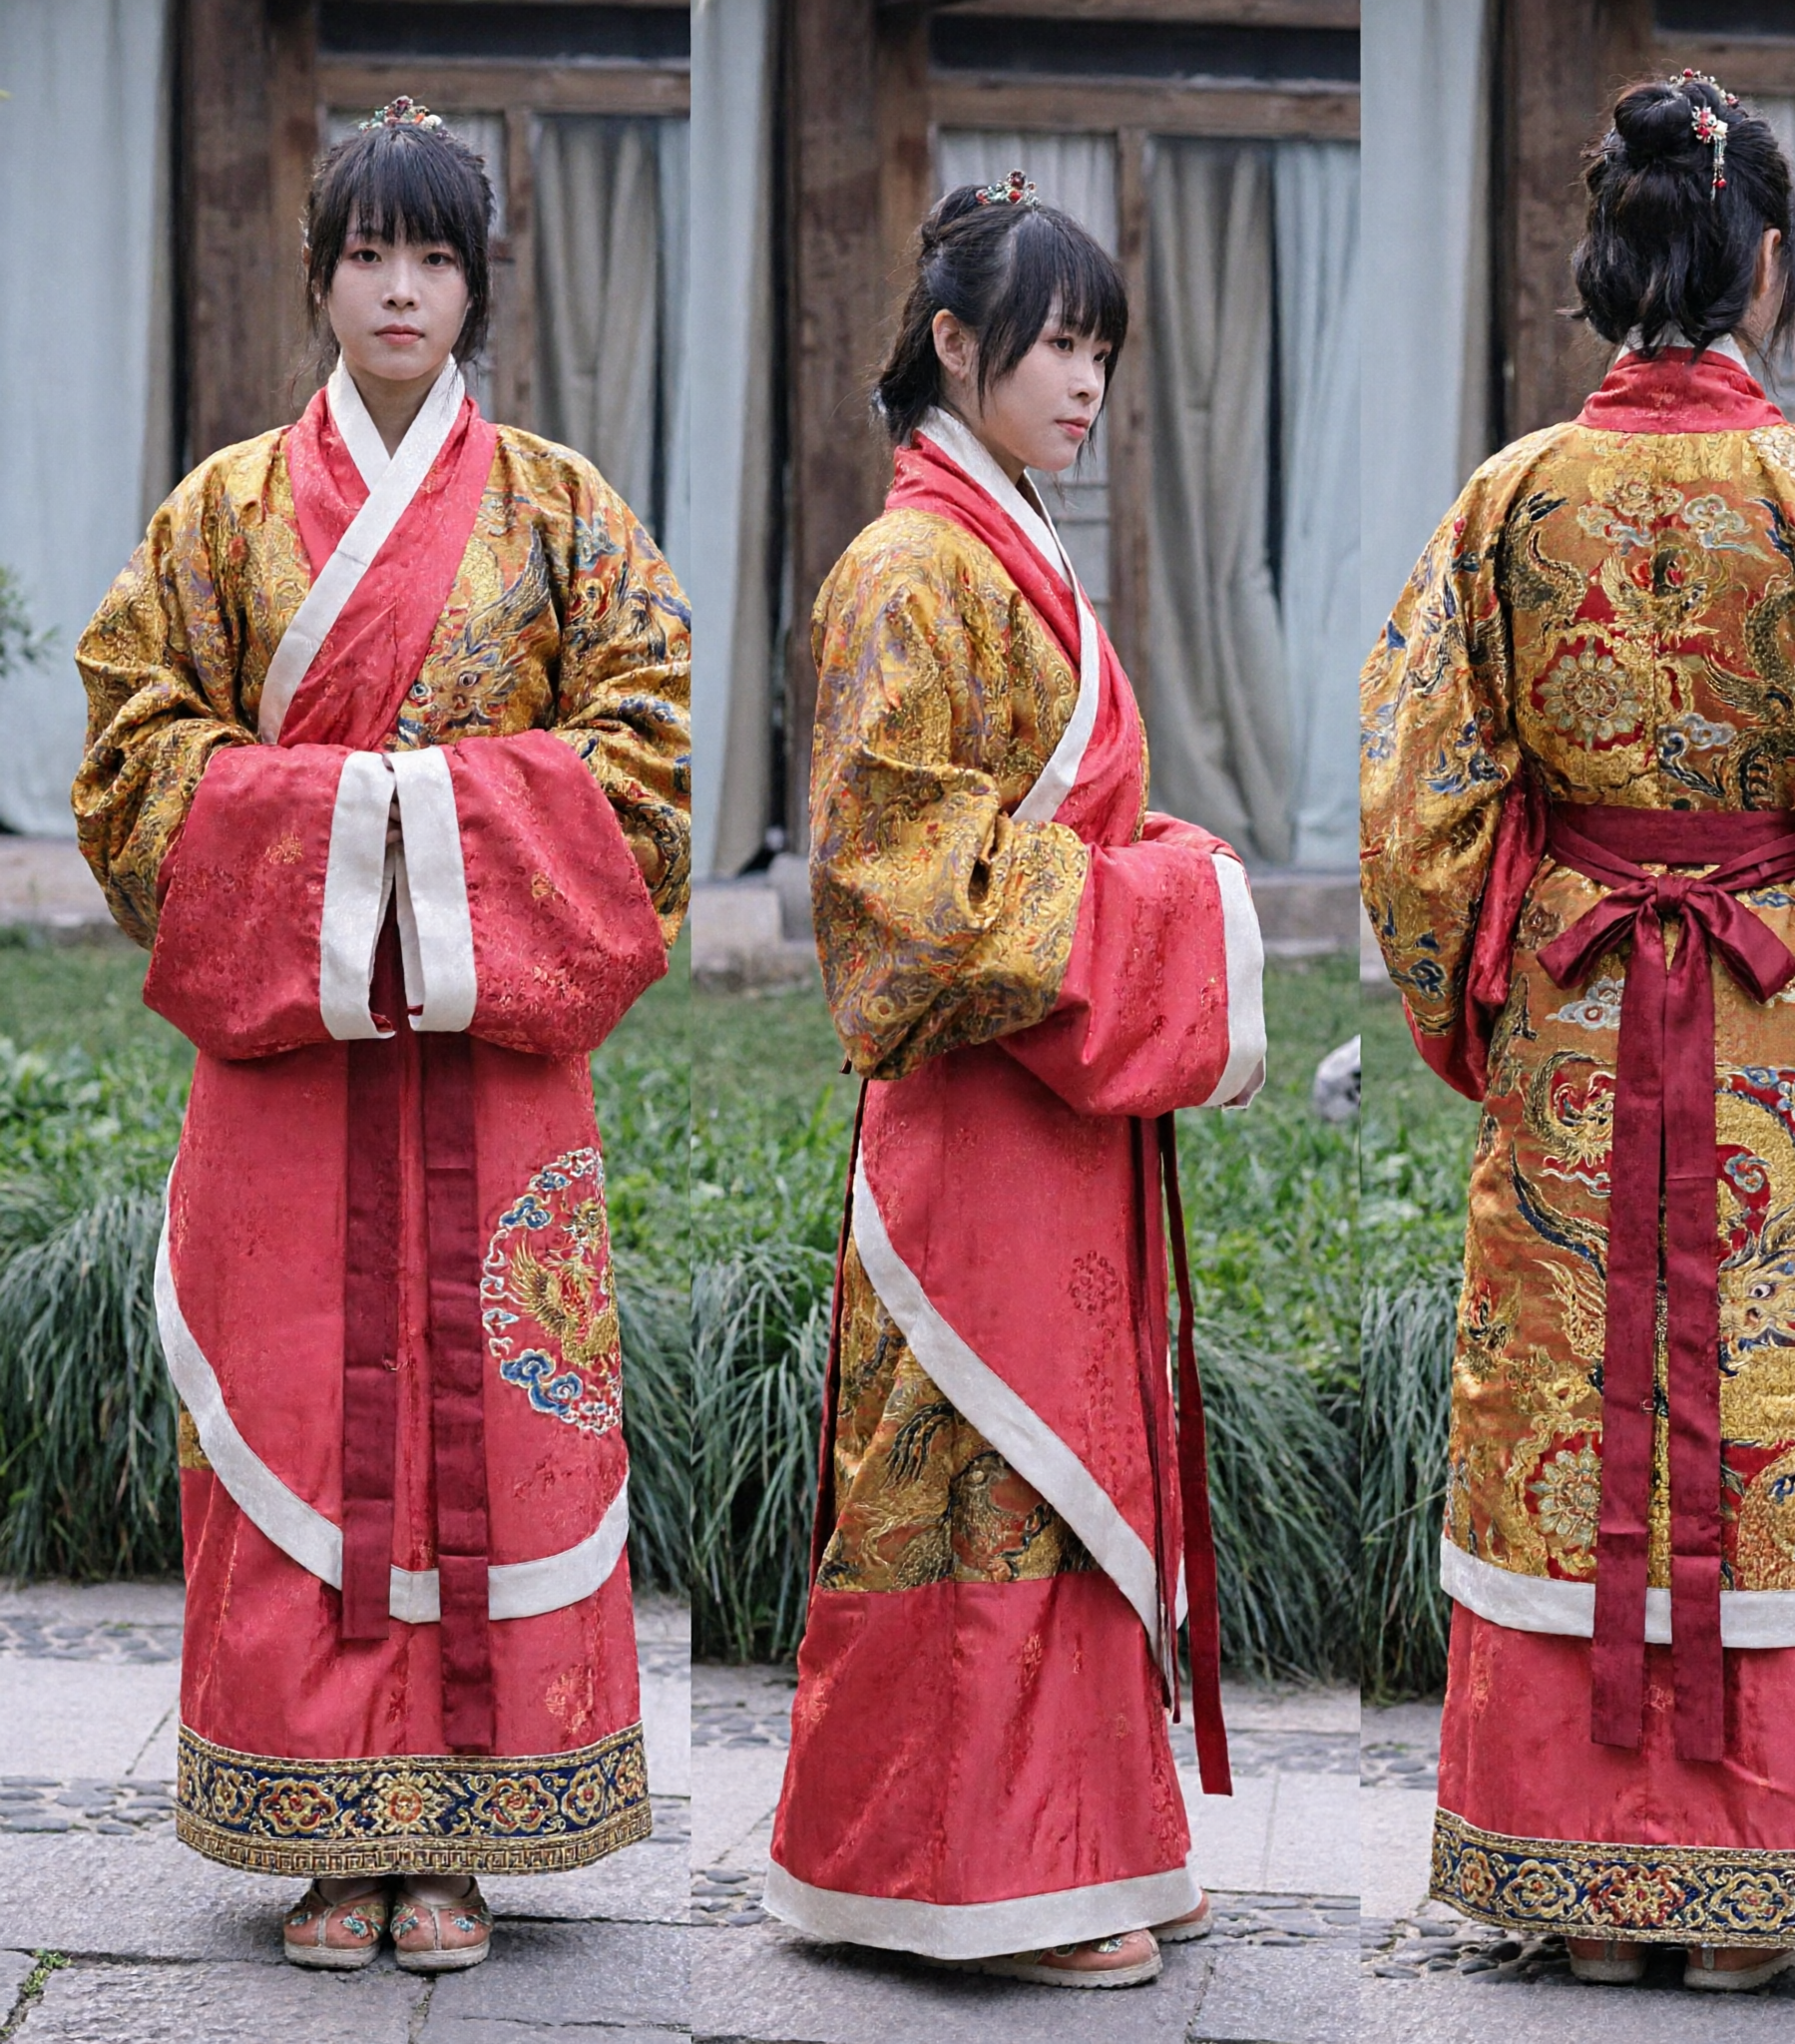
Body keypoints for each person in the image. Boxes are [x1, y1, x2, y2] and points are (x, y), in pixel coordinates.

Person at [1361, 73, 1795, 1991]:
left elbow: (1417, 804)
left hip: (1586, 1013)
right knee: (1773, 1403)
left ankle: (1570, 1875)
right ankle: (1758, 1894)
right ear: (1761, 268)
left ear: (1612, 260)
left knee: (1575, 1407)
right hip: (1776, 1020)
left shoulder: (1509, 501)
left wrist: (1476, 995)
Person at [73, 99, 690, 1972]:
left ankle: (468, 1838)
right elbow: (127, 754)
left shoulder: (567, 511)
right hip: (297, 1074)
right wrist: (366, 828)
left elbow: (648, 767)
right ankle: (323, 1829)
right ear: (325, 277)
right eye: (367, 254)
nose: (399, 287)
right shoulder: (226, 512)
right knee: (293, 1407)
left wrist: (409, 821)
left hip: (494, 1074)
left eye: (432, 256)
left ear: (476, 283)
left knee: (491, 1423)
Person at [763, 172, 1266, 1989]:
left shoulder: (1013, 547)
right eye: (1056, 342)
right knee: (975, 1468)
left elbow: (1054, 836)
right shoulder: (908, 567)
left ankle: (1091, 1836)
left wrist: (1163, 878)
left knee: (1073, 1457)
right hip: (973, 1110)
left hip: (1065, 1103)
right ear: (957, 342)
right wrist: (1173, 908)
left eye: (1106, 351)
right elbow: (905, 892)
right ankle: (960, 1870)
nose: (1086, 384)